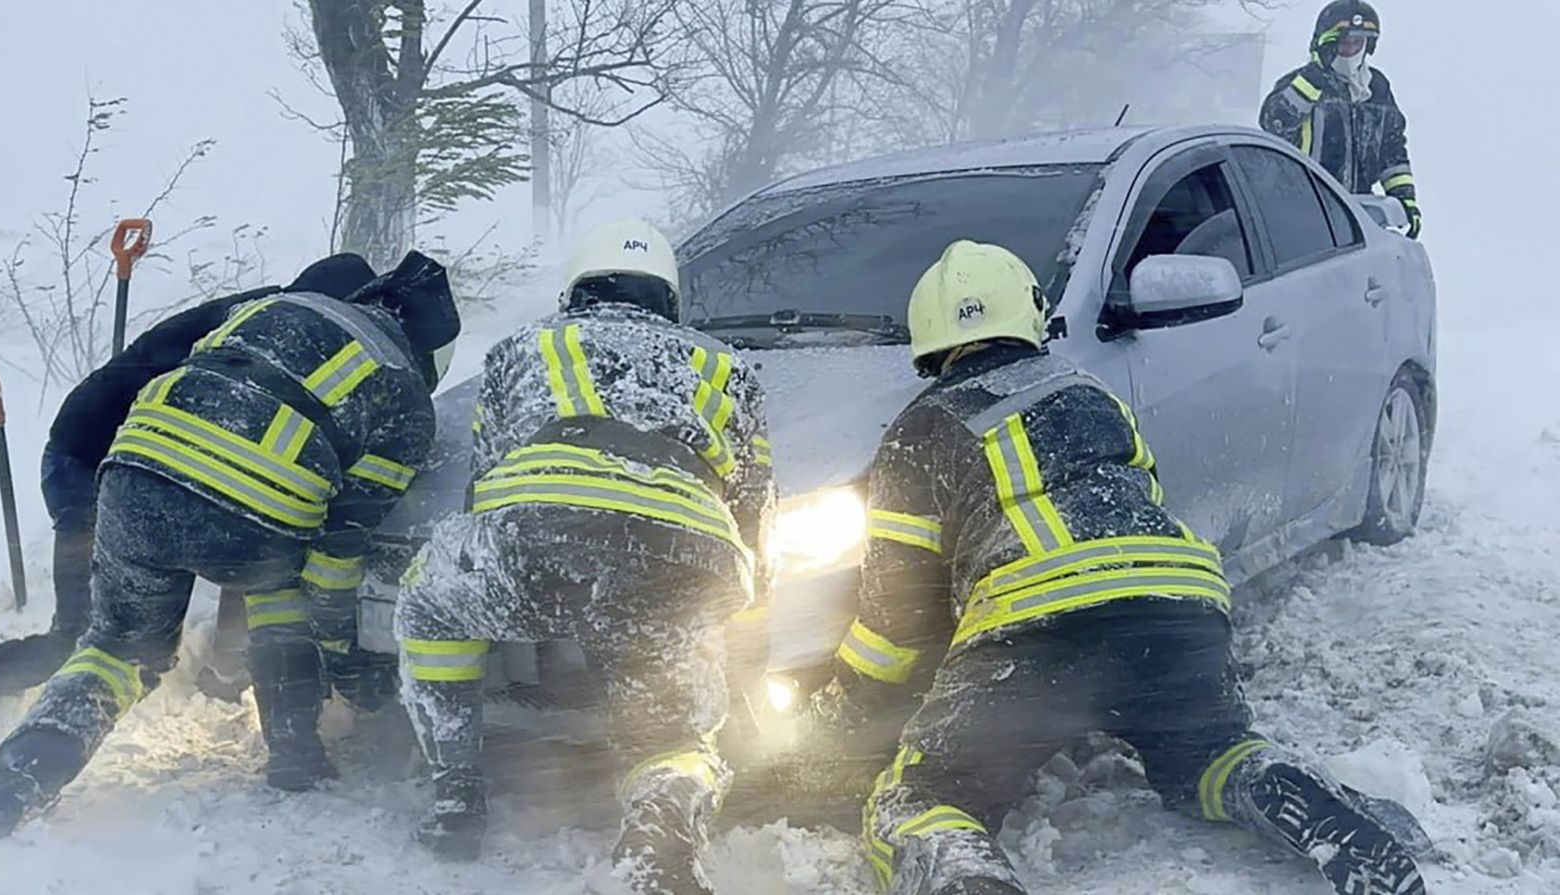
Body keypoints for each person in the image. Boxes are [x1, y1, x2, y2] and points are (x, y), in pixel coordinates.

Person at [803, 241, 1428, 895]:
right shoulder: (1089, 393)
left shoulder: (921, 428)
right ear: (1029, 314)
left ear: (928, 336)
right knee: (1203, 754)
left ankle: (966, 876)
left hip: (1038, 631)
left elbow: (897, 621)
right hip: (1180, 607)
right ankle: (1266, 780)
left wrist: (842, 715)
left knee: (921, 796)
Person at [0, 250, 460, 837]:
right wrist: (343, 657)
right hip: (251, 516)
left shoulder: (270, 308)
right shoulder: (404, 395)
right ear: (429, 352)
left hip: (132, 480)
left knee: (118, 649)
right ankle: (295, 756)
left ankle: (18, 778)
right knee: (281, 592)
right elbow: (338, 551)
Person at [0, 254, 385, 763]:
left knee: (255, 523)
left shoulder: (272, 322)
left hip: (146, 465)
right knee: (84, 635)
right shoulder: (277, 334)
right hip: (95, 466)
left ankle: (223, 671)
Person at [393, 220, 775, 895]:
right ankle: (661, 835)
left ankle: (456, 795)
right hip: (685, 551)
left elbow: (484, 481)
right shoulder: (727, 364)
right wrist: (735, 614)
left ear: (576, 292)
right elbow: (754, 505)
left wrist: (520, 574)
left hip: (537, 530)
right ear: (669, 300)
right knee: (671, 724)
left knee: (430, 602)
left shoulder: (526, 346)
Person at [1260, 1, 1421, 238]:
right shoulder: (1300, 84)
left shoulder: (1376, 88)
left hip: (1357, 216)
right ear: (1328, 44)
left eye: (1358, 43)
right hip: (1301, 213)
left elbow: (1392, 151)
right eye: (1345, 42)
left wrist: (1405, 198)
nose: (1351, 49)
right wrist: (1313, 81)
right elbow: (1274, 124)